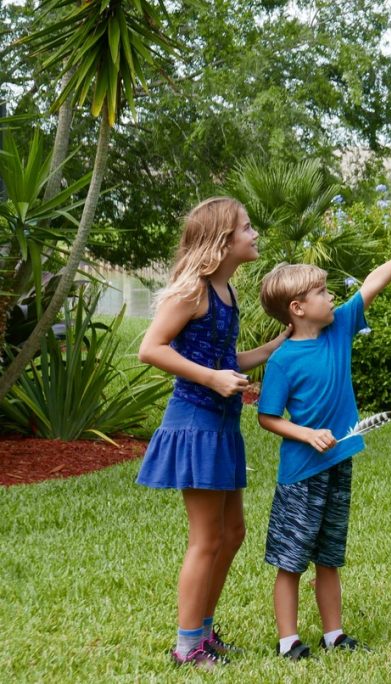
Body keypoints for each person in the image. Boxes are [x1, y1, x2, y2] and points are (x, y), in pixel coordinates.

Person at [256, 218, 391, 660]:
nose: (331, 296)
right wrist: (305, 433)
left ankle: (334, 634)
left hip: (339, 463)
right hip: (301, 473)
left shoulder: (340, 327)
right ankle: (288, 642)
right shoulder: (283, 359)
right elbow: (267, 417)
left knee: (330, 555)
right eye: (320, 292)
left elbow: (375, 279)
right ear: (298, 308)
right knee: (291, 559)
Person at [136, 197, 291, 669]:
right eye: (247, 228)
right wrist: (212, 378)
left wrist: (273, 347)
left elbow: (224, 360)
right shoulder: (193, 291)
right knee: (206, 538)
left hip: (221, 425)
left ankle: (204, 631)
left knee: (233, 532)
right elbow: (150, 349)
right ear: (223, 241)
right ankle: (187, 647)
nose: (254, 234)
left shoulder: (226, 292)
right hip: (195, 423)